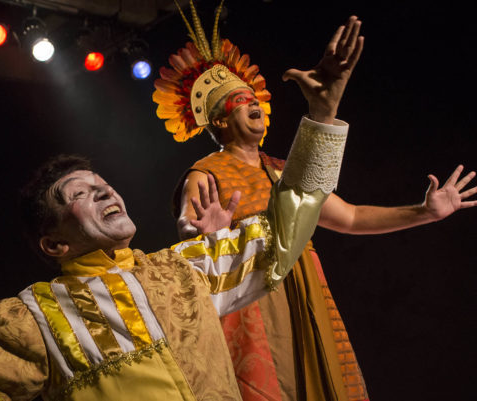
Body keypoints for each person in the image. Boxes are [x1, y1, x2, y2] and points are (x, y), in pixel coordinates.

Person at [0, 104, 350, 401]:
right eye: (79, 194)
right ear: (55, 243)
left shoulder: (182, 274)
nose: (104, 193)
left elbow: (286, 225)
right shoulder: (33, 318)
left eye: (103, 185)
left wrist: (325, 113)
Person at [152, 4, 477, 401]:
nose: (255, 102)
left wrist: (424, 212)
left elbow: (352, 217)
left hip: (305, 286)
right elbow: (189, 230)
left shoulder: (285, 169)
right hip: (254, 296)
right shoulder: (206, 172)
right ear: (219, 120)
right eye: (240, 99)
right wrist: (204, 234)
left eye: (253, 96)